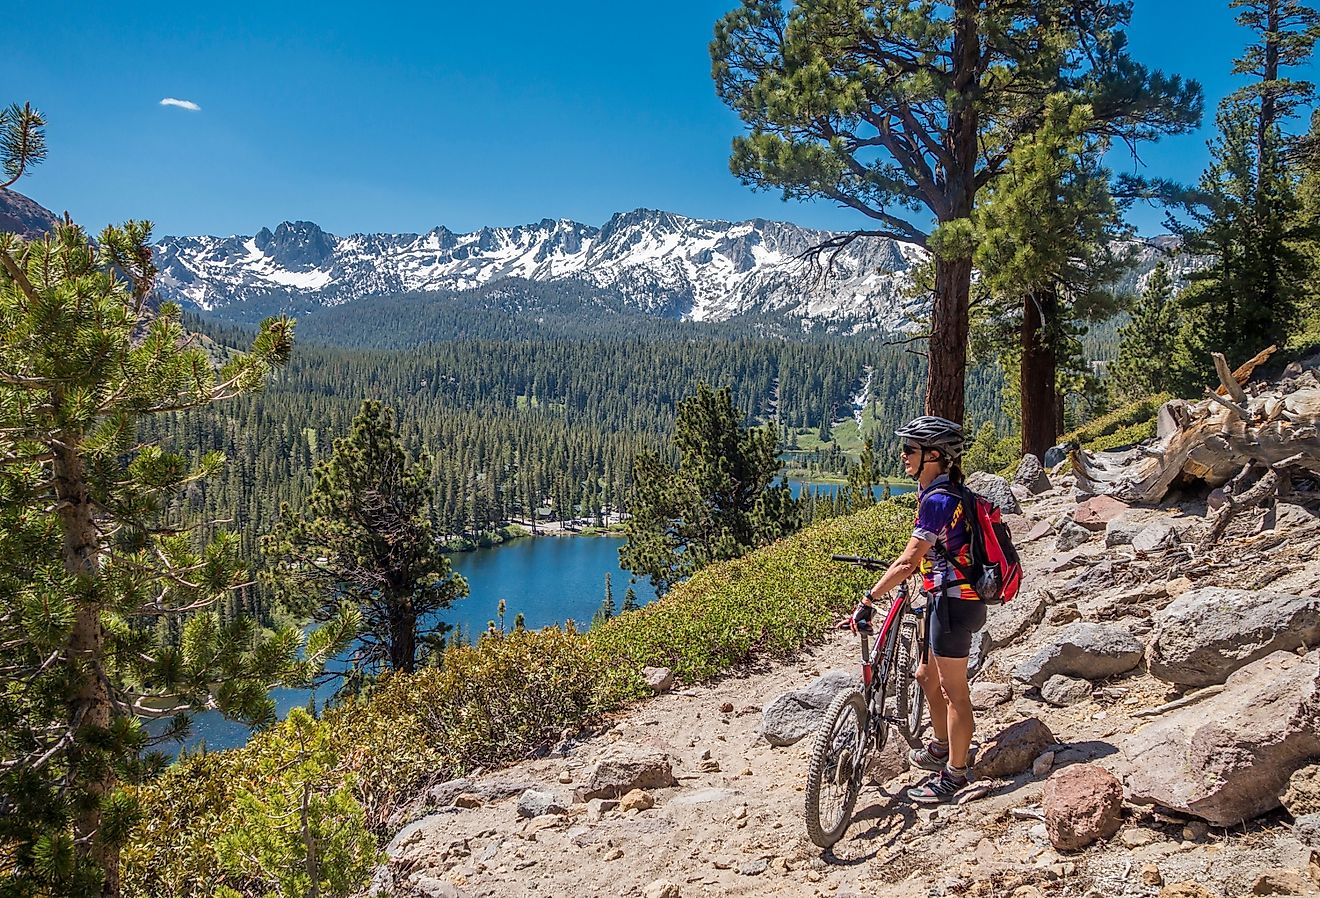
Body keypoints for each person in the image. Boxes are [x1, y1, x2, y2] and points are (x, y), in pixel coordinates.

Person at [863, 415, 985, 804]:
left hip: (955, 605)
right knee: (925, 677)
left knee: (954, 692)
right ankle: (942, 745)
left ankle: (956, 774)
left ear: (933, 455)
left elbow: (907, 562)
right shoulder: (942, 491)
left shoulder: (939, 499)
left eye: (910, 450)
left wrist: (870, 598)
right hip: (943, 600)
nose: (903, 456)